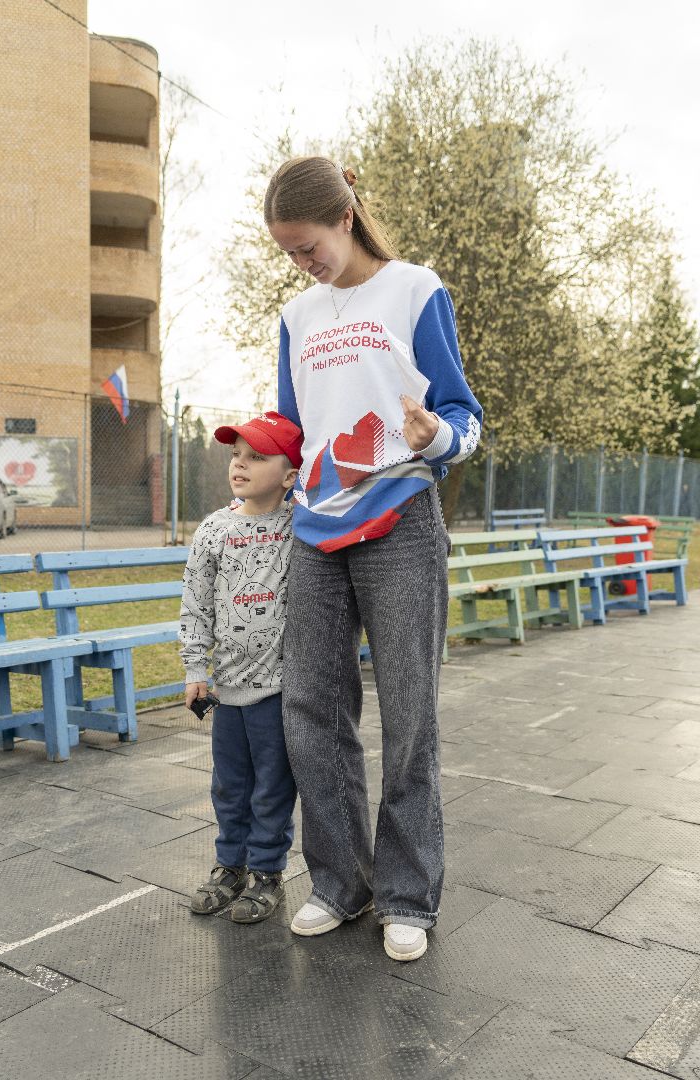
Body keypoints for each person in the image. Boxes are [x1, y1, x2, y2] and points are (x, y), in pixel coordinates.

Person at [265, 156, 482, 961]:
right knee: (311, 710)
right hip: (315, 531)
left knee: (409, 711)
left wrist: (440, 437)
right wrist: (260, 468)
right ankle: (338, 882)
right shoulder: (296, 315)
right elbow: (296, 426)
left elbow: (462, 409)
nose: (301, 262)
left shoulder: (416, 289)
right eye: (288, 252)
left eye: (307, 245)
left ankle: (407, 896)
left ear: (344, 218)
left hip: (399, 520)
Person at [179, 411, 302, 924]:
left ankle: (267, 874)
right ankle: (229, 866)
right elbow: (196, 602)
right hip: (227, 689)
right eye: (236, 455)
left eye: (257, 457)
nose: (240, 464)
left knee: (273, 785)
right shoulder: (214, 530)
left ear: (290, 474)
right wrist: (194, 669)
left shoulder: (301, 527)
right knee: (229, 784)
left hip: (277, 690)